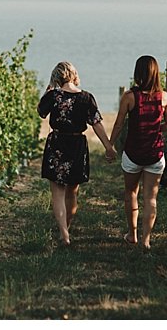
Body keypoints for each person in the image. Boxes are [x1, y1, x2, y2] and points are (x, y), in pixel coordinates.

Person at [38, 61, 117, 246]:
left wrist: (47, 91)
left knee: (57, 193)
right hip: (77, 145)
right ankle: (66, 228)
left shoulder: (53, 96)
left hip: (57, 143)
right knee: (72, 193)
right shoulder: (87, 98)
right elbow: (96, 123)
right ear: (74, 75)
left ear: (56, 77)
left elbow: (41, 111)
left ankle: (64, 234)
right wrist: (108, 146)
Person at [109, 55, 167, 250]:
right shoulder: (163, 96)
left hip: (133, 153)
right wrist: (156, 129)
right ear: (156, 73)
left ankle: (133, 234)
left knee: (131, 193)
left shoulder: (130, 97)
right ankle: (146, 240)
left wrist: (110, 145)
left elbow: (119, 124)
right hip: (155, 154)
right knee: (151, 198)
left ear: (137, 73)